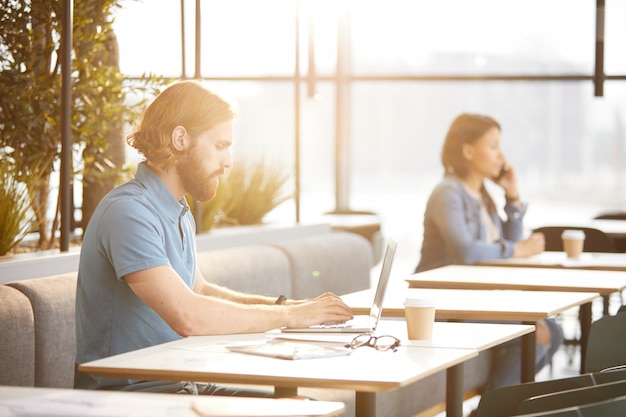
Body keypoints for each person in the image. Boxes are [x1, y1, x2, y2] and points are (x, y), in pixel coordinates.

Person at [74, 80, 354, 395]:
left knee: (311, 410)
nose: (228, 162)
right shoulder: (128, 212)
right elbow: (188, 316)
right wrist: (289, 316)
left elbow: (199, 290)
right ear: (180, 138)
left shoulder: (177, 211)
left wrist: (288, 306)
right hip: (134, 398)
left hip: (183, 385)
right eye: (220, 146)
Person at [414, 113, 563, 390]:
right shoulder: (447, 193)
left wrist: (513, 196)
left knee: (554, 330)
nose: (501, 155)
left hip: (474, 296)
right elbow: (467, 252)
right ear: (468, 150)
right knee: (538, 331)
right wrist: (519, 250)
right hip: (442, 298)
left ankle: (494, 407)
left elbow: (506, 240)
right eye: (493, 146)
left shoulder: (482, 196)